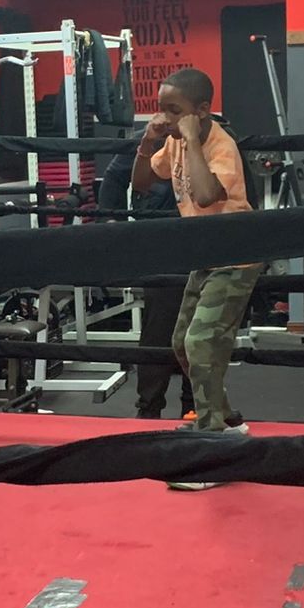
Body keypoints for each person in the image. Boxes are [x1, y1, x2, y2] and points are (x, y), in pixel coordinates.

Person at [132, 68, 256, 490]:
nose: (165, 117)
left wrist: (190, 138)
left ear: (202, 111)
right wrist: (150, 139)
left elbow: (205, 195)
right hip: (205, 256)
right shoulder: (171, 141)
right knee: (180, 341)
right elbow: (142, 183)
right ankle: (225, 420)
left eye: (175, 110)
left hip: (236, 256)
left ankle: (211, 447)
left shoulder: (221, 145)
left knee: (200, 342)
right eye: (161, 109)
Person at [99, 145, 194, 420]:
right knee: (161, 326)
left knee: (201, 328)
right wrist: (110, 218)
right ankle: (150, 407)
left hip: (205, 235)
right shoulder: (152, 139)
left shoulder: (217, 137)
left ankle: (195, 405)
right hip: (161, 240)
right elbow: (117, 175)